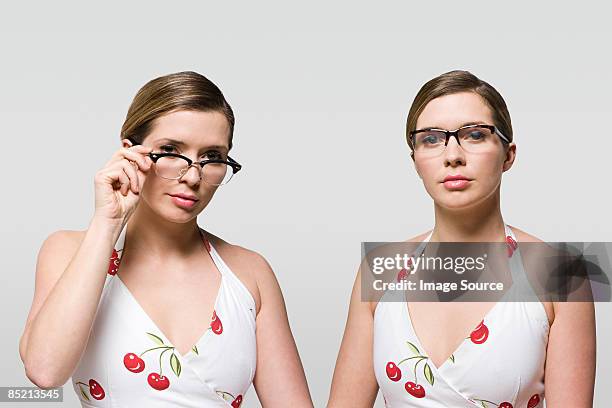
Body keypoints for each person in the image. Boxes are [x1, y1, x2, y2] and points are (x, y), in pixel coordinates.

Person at [19, 71, 313, 407]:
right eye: (171, 150)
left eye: (213, 157)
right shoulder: (69, 252)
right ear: (131, 154)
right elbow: (44, 371)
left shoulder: (250, 273)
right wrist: (107, 222)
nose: (192, 176)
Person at [328, 70, 596, 407]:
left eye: (475, 135)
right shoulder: (380, 270)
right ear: (415, 161)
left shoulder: (563, 274)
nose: (452, 154)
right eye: (431, 139)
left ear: (508, 154)